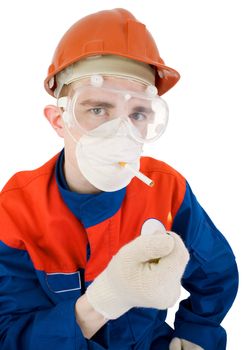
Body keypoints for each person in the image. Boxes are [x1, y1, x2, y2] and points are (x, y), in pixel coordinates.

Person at [0, 8, 238, 350]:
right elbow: (10, 335)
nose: (121, 132)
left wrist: (198, 332)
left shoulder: (166, 190)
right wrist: (101, 303)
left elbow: (216, 272)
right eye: (98, 109)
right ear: (58, 120)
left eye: (138, 113)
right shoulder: (15, 210)